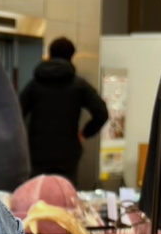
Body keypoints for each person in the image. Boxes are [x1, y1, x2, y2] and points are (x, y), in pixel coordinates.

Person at [20, 36, 108, 184]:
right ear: (71, 56)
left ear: (50, 54)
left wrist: (24, 139)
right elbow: (102, 113)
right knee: (64, 195)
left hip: (38, 154)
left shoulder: (34, 84)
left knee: (38, 194)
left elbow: (15, 114)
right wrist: (84, 134)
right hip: (68, 156)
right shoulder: (79, 85)